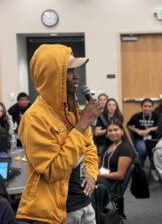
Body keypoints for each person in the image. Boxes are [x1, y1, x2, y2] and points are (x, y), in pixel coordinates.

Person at [16, 44, 101, 224]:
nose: (77, 76)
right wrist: (81, 126)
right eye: (69, 71)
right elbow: (53, 170)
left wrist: (92, 174)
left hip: (84, 205)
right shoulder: (34, 118)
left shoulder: (72, 110)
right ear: (54, 76)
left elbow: (90, 148)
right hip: (56, 213)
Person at [97, 118, 136, 216]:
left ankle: (93, 211)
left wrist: (98, 173)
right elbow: (99, 162)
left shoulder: (125, 148)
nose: (113, 133)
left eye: (116, 130)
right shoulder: (109, 145)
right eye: (110, 130)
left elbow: (120, 175)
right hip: (104, 176)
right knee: (83, 178)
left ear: (122, 132)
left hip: (114, 184)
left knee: (89, 184)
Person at [127, 98, 158, 166]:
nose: (147, 108)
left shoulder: (156, 116)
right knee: (142, 150)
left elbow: (160, 126)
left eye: (149, 106)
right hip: (141, 139)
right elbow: (129, 126)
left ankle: (154, 167)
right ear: (142, 107)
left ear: (152, 107)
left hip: (153, 140)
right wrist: (137, 130)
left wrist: (150, 129)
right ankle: (140, 167)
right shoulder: (136, 116)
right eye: (145, 106)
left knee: (156, 152)